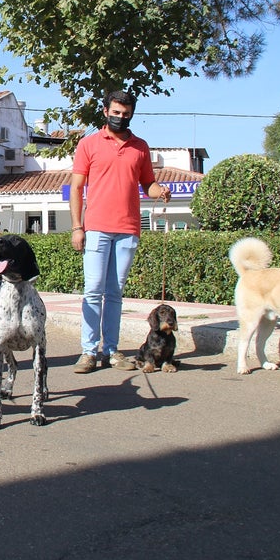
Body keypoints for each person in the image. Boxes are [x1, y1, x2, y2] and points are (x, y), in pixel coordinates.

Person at [69, 90, 171, 373]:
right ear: (105, 111)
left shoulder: (140, 146)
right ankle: (88, 352)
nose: (120, 118)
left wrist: (159, 191)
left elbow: (148, 183)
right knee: (93, 290)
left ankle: (111, 351)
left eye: (126, 114)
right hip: (97, 228)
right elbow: (77, 188)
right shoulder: (89, 144)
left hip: (128, 230)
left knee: (115, 293)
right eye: (116, 112)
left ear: (131, 114)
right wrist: (78, 227)